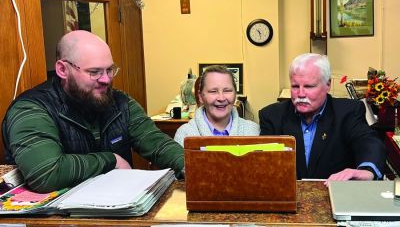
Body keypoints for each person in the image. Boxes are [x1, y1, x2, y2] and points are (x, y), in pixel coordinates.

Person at [2, 30, 184, 192]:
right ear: (63, 69)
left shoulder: (120, 103)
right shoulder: (31, 108)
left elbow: (158, 144)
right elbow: (46, 173)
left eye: (110, 70)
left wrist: (193, 167)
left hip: (118, 211)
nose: (106, 79)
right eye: (95, 72)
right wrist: (110, 160)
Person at [259, 53, 386, 183]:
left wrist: (367, 170)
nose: (301, 94)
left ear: (328, 85)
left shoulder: (348, 112)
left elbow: (369, 142)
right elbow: (260, 163)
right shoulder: (272, 116)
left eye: (309, 86)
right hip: (286, 197)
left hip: (335, 196)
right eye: (295, 86)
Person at [174, 65, 259, 147]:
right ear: (200, 97)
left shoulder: (253, 131)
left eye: (227, 90)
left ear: (235, 94)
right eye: (213, 91)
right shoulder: (185, 134)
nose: (221, 98)